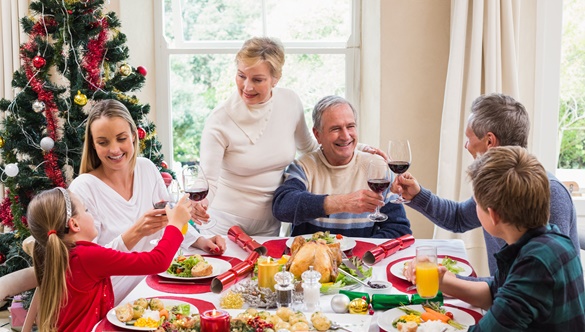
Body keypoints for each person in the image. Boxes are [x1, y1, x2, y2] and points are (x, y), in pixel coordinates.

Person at [196, 37, 384, 236]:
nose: (247, 87)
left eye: (257, 79)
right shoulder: (219, 120)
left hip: (269, 225)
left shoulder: (289, 102)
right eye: (241, 76)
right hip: (223, 223)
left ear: (275, 78)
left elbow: (311, 147)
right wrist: (199, 203)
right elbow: (208, 180)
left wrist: (357, 148)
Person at [393, 93, 579, 275]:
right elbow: (458, 218)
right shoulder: (497, 183)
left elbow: (542, 280)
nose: (466, 146)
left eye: (469, 138)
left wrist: (442, 279)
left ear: (490, 141)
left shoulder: (549, 194)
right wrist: (417, 195)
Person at [67, 99, 226, 303]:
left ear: (133, 135)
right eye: (103, 142)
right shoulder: (84, 188)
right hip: (114, 295)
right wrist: (135, 233)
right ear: (93, 145)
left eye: (121, 138)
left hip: (155, 281)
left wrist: (200, 241)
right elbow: (87, 263)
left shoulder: (146, 168)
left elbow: (168, 220)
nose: (114, 150)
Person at [436, 146, 585, 331]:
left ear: (493, 215)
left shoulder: (536, 264)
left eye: (476, 203)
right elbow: (497, 291)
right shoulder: (547, 239)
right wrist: (445, 282)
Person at [28, 187, 191, 332]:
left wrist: (139, 230)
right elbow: (158, 261)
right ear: (74, 224)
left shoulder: (64, 255)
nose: (90, 214)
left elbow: (109, 253)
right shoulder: (87, 257)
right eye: (86, 210)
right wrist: (176, 224)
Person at [272, 95, 412, 238]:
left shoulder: (377, 167)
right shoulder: (303, 166)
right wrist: (342, 202)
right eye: (335, 129)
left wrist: (359, 252)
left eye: (350, 126)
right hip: (313, 258)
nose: (345, 136)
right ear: (317, 134)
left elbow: (399, 230)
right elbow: (283, 207)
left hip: (361, 259)